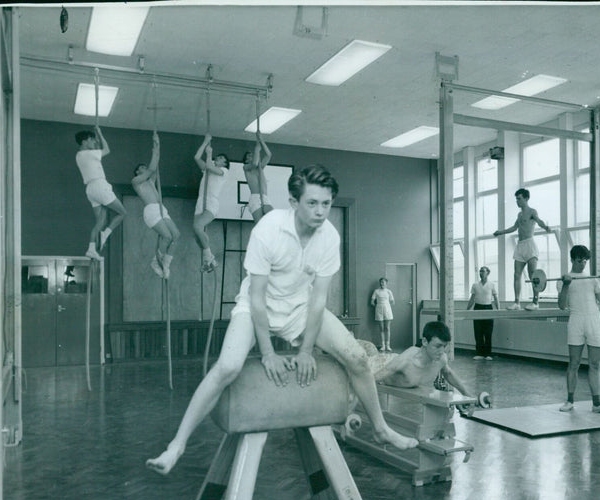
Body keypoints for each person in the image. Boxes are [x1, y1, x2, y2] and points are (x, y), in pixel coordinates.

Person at [146, 164, 417, 475]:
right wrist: (268, 353)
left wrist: (305, 351)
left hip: (300, 308)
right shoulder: (269, 229)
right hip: (256, 306)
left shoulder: (329, 237)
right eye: (312, 203)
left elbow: (318, 301)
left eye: (326, 204)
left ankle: (380, 427)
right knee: (228, 367)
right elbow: (258, 297)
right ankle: (177, 445)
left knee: (357, 357)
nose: (320, 212)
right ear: (293, 202)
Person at [556, 245, 600, 415]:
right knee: (574, 363)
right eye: (580, 260)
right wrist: (566, 285)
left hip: (594, 320)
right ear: (573, 259)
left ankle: (597, 404)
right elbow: (561, 305)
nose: (583, 264)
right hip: (576, 320)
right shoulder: (564, 279)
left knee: (596, 364)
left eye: (585, 261)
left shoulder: (593, 278)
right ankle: (569, 401)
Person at [370, 321, 474, 397]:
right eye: (437, 346)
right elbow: (369, 380)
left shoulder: (442, 359)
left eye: (444, 346)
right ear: (424, 342)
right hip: (380, 364)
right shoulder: (405, 361)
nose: (442, 351)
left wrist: (466, 394)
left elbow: (448, 373)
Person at [492, 188, 552, 311]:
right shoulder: (519, 215)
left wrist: (545, 227)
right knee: (516, 275)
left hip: (530, 245)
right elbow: (514, 227)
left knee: (533, 275)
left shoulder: (532, 211)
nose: (517, 201)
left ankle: (535, 302)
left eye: (519, 199)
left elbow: (539, 221)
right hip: (520, 246)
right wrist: (501, 232)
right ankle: (517, 302)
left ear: (526, 198)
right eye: (516, 199)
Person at [132, 132, 180, 279]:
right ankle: (155, 262)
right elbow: (152, 168)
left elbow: (155, 162)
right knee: (166, 236)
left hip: (161, 209)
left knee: (176, 235)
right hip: (151, 210)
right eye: (141, 167)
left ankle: (165, 263)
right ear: (137, 172)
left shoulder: (151, 181)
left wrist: (157, 144)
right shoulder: (136, 182)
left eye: (144, 166)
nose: (144, 168)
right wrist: (154, 153)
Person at [75, 127, 126, 260]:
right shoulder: (89, 154)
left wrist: (96, 139)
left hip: (90, 189)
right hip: (99, 185)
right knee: (122, 213)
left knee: (100, 222)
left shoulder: (80, 155)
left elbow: (97, 149)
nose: (93, 143)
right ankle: (105, 234)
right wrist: (100, 133)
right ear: (85, 141)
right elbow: (107, 149)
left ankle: (91, 249)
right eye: (91, 140)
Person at [193, 134, 229, 272]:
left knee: (198, 227)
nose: (217, 159)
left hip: (211, 202)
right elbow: (196, 158)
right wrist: (205, 142)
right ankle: (209, 260)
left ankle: (209, 257)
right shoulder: (208, 169)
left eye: (221, 158)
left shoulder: (223, 171)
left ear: (225, 164)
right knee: (196, 235)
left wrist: (210, 153)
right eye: (217, 157)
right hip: (200, 201)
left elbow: (209, 164)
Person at [465, 266, 500, 360]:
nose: (481, 273)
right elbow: (472, 299)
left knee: (488, 331)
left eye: (483, 271)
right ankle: (479, 353)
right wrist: (467, 310)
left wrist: (498, 310)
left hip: (488, 308)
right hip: (478, 307)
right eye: (480, 271)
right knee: (478, 331)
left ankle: (488, 354)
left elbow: (496, 298)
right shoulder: (475, 285)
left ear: (488, 273)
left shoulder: (492, 284)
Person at [243, 130, 272, 223]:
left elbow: (268, 155)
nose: (252, 156)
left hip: (265, 197)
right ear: (246, 159)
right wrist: (256, 150)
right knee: (260, 225)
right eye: (249, 156)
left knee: (273, 220)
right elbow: (255, 163)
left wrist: (261, 139)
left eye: (253, 155)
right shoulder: (246, 167)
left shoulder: (260, 167)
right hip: (255, 198)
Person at [370, 277, 395, 352]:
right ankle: (383, 345)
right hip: (379, 310)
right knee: (381, 328)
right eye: (381, 282)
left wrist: (386, 305)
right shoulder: (376, 291)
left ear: (386, 283)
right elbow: (372, 302)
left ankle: (388, 345)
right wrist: (378, 306)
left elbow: (393, 301)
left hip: (387, 309)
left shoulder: (389, 291)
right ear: (379, 283)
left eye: (383, 282)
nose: (382, 284)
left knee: (387, 328)